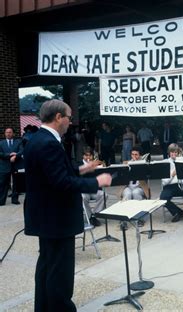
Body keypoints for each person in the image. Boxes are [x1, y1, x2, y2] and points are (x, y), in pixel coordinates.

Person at [23, 99, 111, 311]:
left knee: (47, 266)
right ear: (58, 117)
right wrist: (96, 182)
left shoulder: (37, 139)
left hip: (46, 218)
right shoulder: (49, 143)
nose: (71, 122)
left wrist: (83, 169)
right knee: (60, 273)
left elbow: (54, 174)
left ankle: (43, 307)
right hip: (56, 219)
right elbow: (60, 183)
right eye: (69, 117)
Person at [160, 143, 183, 226]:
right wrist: (172, 175)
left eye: (176, 152)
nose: (174, 154)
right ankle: (178, 212)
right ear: (169, 153)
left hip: (180, 185)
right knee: (163, 198)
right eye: (172, 152)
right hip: (168, 186)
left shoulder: (181, 161)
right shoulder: (165, 163)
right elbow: (164, 182)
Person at [81, 147, 105, 227]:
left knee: (103, 195)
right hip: (84, 190)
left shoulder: (95, 164)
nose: (88, 157)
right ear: (83, 156)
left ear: (92, 156)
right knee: (83, 197)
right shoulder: (78, 164)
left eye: (90, 155)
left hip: (94, 190)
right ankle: (90, 217)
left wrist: (102, 166)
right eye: (86, 155)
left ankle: (94, 215)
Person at [0, 127, 23, 205]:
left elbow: (22, 151)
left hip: (16, 165)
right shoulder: (1, 143)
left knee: (16, 183)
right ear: (5, 133)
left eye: (10, 132)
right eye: (7, 132)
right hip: (4, 166)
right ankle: (1, 200)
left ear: (13, 133)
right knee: (3, 184)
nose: (8, 134)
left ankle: (15, 199)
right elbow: (0, 154)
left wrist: (15, 156)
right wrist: (9, 155)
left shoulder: (18, 142)